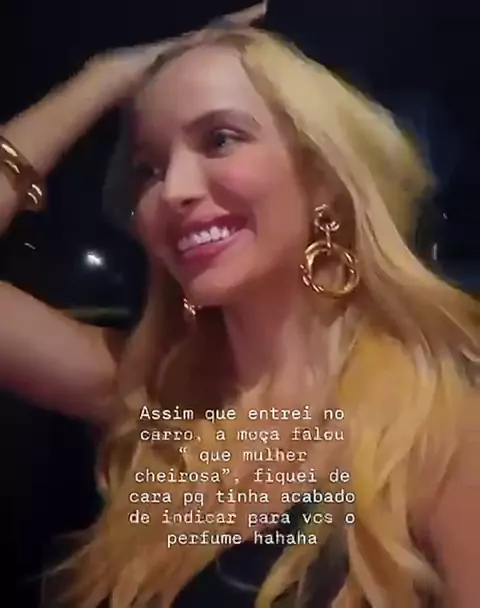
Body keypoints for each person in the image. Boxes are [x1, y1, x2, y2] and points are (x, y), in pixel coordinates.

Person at [0, 21, 479, 608]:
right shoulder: (157, 399)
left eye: (220, 139)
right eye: (149, 168)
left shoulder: (441, 426)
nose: (172, 190)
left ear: (323, 176)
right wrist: (103, 76)